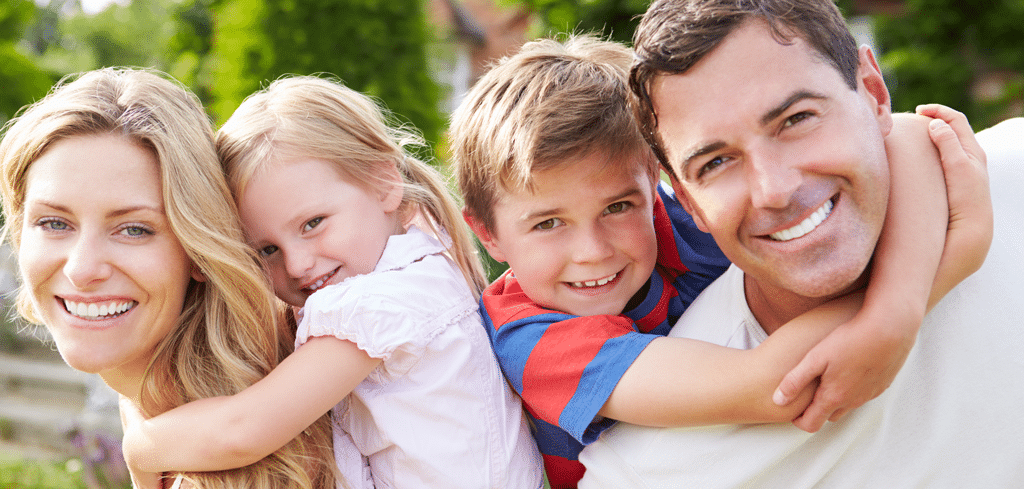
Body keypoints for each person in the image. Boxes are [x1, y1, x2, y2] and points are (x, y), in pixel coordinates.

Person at [448, 35, 974, 489]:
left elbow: (902, 132)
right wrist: (941, 268)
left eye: (618, 207)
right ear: (488, 234)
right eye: (548, 223)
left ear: (658, 185)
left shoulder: (673, 223)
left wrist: (898, 304)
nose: (593, 250)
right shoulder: (533, 338)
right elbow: (774, 386)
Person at [578, 0, 1023, 486]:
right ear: (686, 199)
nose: (775, 189)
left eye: (796, 119)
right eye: (716, 163)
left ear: (874, 93)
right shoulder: (651, 470)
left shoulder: (1012, 177)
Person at [118, 76, 544, 489]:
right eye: (267, 250)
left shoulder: (376, 306)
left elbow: (242, 431)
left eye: (313, 223)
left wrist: (140, 447)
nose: (299, 264)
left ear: (384, 183)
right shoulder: (422, 263)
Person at [0, 68, 338, 489]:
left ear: (198, 251)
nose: (82, 270)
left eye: (134, 229)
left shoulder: (244, 452)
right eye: (54, 223)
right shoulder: (149, 407)